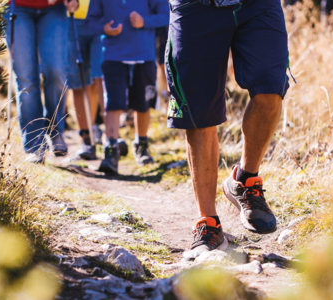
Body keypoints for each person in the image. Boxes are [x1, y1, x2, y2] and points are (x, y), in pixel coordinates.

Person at [165, 0, 292, 259]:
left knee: (271, 86)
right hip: (195, 6)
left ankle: (245, 180)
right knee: (199, 112)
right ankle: (208, 223)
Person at [67, 0, 169, 174]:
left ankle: (141, 144)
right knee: (112, 102)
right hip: (112, 55)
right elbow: (90, 22)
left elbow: (166, 15)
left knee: (142, 103)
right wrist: (103, 29)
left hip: (144, 54)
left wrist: (144, 21)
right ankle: (111, 149)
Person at [5, 0, 69, 163]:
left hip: (53, 9)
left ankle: (55, 130)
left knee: (56, 71)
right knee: (26, 78)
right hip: (16, 7)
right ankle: (35, 145)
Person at [65, 0, 105, 160]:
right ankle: (86, 138)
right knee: (78, 81)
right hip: (72, 17)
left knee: (99, 78)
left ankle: (108, 135)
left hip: (103, 18)